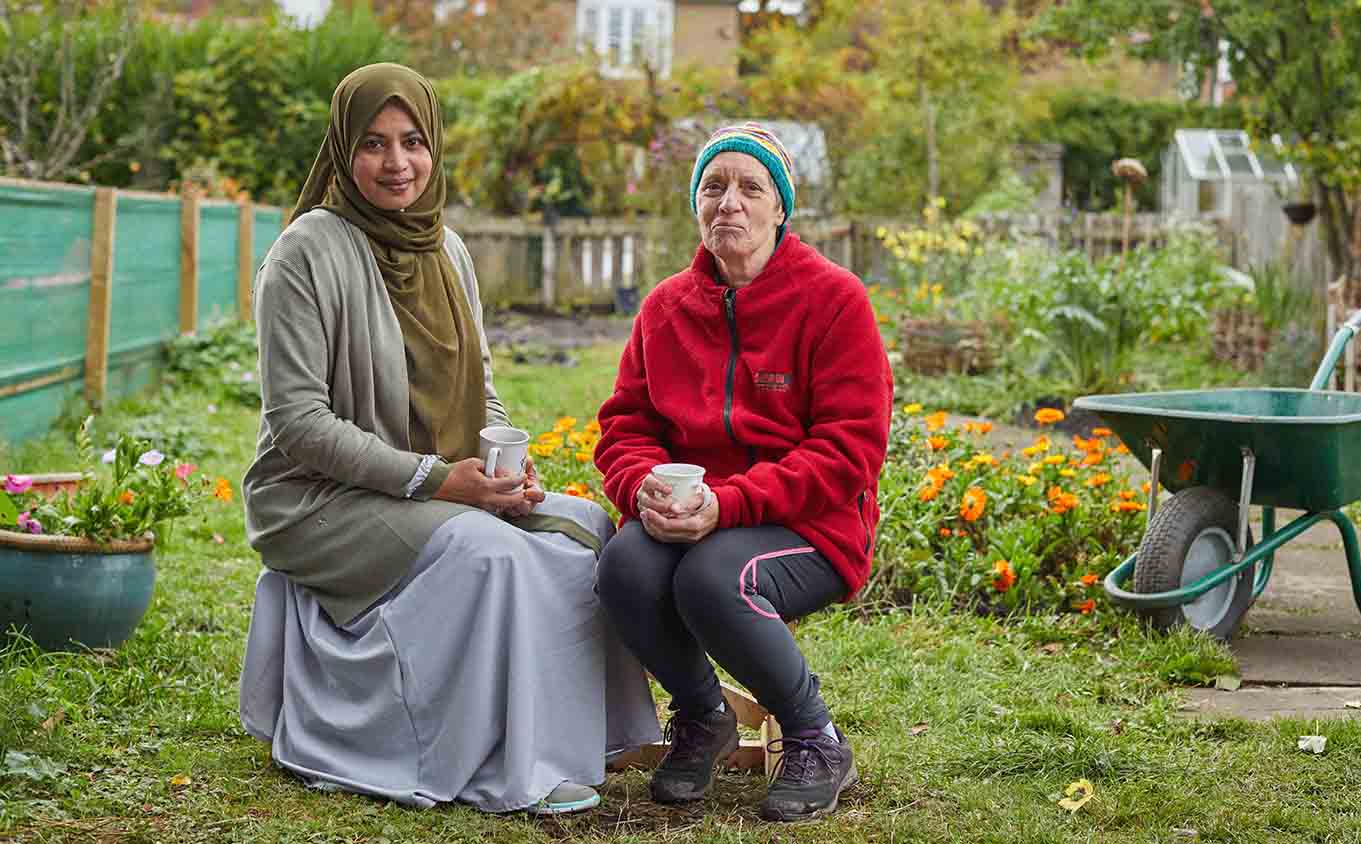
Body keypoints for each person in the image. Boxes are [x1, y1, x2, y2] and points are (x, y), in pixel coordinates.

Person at [236, 63, 660, 816]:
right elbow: (298, 426)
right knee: (486, 549)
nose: (396, 163)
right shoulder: (303, 255)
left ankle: (589, 735)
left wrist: (506, 464)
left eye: (412, 142)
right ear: (341, 150)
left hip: (434, 482)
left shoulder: (447, 249)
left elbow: (482, 378)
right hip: (317, 500)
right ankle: (506, 761)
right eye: (373, 144)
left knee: (589, 527)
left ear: (433, 147)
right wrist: (440, 481)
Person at [593, 123, 893, 822]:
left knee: (711, 577)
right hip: (696, 512)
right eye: (713, 186)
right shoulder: (666, 308)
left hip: (809, 525)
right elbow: (625, 425)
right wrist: (641, 486)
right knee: (623, 567)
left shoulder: (833, 300)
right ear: (696, 204)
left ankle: (816, 738)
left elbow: (852, 450)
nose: (729, 203)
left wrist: (725, 506)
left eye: (749, 188)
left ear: (779, 207)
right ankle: (702, 717)